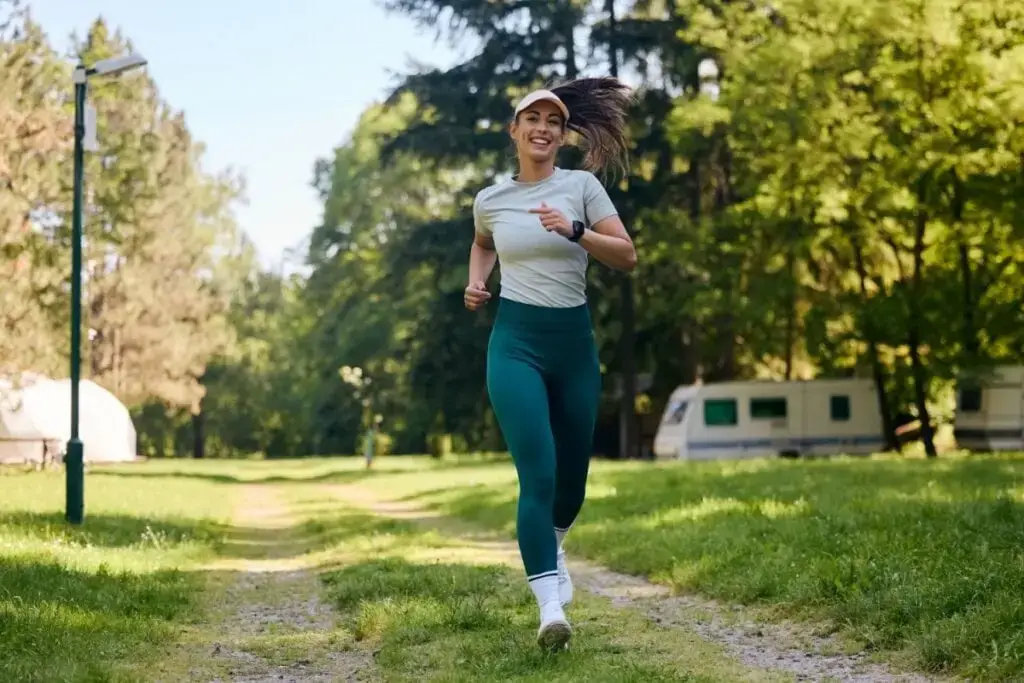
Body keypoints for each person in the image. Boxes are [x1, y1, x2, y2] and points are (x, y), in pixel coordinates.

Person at [464, 76, 637, 652]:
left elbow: (627, 256)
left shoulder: (581, 187)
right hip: (515, 343)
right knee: (536, 474)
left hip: (573, 346)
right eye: (532, 120)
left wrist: (577, 231)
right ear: (514, 130)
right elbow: (483, 240)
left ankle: (553, 546)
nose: (542, 129)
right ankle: (549, 608)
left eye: (553, 123)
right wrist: (476, 281)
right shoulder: (490, 199)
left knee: (572, 484)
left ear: (562, 136)